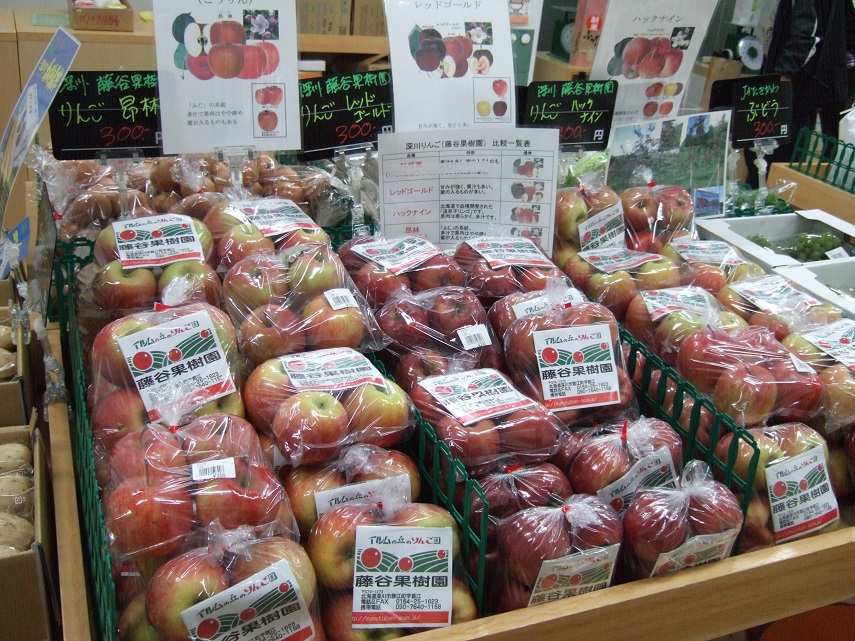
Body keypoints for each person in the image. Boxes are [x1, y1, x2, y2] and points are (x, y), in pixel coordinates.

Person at [746, 0, 855, 186]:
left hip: (792, 87)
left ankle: (769, 197)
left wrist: (784, 75)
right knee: (776, 155)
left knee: (772, 155)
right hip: (810, 86)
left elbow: (806, 36)